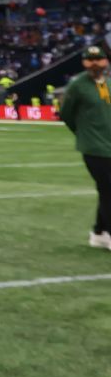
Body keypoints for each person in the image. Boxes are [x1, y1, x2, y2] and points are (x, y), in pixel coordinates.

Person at [58, 45, 111, 251]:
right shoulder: (78, 85)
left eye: (98, 59)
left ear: (105, 61)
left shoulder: (107, 82)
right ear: (84, 62)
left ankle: (98, 232)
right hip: (92, 147)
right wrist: (82, 133)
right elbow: (66, 113)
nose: (95, 63)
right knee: (108, 188)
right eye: (90, 60)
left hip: (109, 144)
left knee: (106, 189)